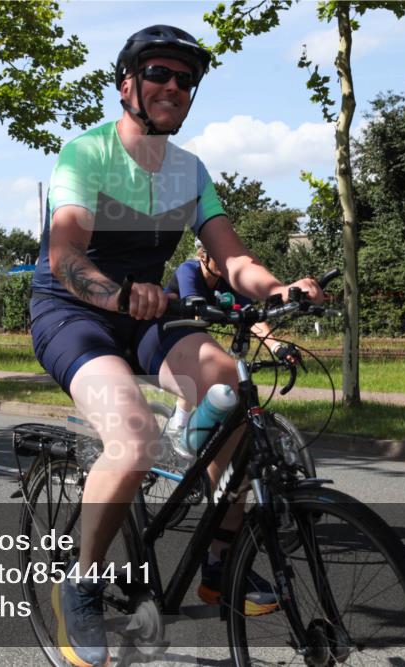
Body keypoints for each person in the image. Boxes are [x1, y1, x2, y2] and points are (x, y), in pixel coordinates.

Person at [29, 25, 323, 667]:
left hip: (148, 309)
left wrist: (277, 291)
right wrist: (116, 294)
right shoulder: (88, 154)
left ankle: (222, 557)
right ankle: (80, 580)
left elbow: (233, 256)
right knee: (131, 438)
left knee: (232, 384)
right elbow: (65, 255)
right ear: (128, 84)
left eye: (186, 80)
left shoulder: (189, 171)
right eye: (160, 74)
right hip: (73, 312)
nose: (174, 87)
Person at [163, 239, 304, 454]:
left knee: (225, 371)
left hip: (198, 329)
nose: (224, 262)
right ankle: (178, 424)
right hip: (172, 328)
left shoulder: (226, 280)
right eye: (218, 257)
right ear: (203, 255)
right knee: (198, 366)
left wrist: (276, 347)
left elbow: (251, 314)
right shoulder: (188, 271)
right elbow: (196, 310)